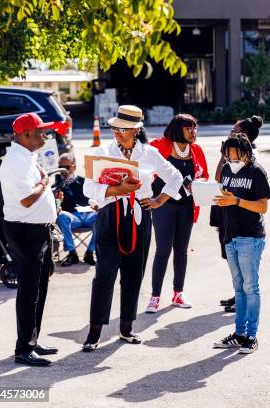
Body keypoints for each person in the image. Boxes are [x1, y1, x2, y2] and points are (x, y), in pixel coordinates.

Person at [81, 105, 183, 352]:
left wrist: (159, 200)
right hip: (109, 215)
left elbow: (176, 177)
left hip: (139, 215)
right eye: (115, 127)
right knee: (104, 274)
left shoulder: (149, 153)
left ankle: (126, 328)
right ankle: (95, 332)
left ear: (136, 130)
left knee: (134, 273)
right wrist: (115, 191)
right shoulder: (103, 151)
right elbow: (87, 188)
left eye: (123, 128)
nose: (117, 132)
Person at [0, 112, 59, 366]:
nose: (44, 135)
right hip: (25, 231)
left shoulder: (28, 156)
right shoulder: (15, 161)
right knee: (29, 290)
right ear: (24, 135)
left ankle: (31, 340)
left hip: (38, 229)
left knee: (40, 286)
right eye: (39, 132)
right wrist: (45, 183)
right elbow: (25, 199)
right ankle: (23, 349)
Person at [212, 132, 270, 354]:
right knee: (238, 289)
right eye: (229, 157)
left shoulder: (257, 172)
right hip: (230, 235)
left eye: (236, 157)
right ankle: (239, 334)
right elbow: (223, 196)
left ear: (247, 153)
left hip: (251, 237)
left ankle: (251, 336)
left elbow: (262, 207)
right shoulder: (227, 170)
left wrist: (236, 201)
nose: (232, 162)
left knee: (250, 287)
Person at [145, 114, 209, 313]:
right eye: (189, 128)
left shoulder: (196, 150)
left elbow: (205, 175)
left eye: (195, 128)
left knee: (181, 250)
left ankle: (178, 293)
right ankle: (155, 297)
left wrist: (199, 183)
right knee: (163, 249)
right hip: (162, 204)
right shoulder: (160, 144)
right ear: (177, 129)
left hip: (187, 206)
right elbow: (144, 165)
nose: (193, 132)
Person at [213, 116, 263, 312]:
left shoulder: (250, 161)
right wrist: (224, 153)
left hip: (245, 223)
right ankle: (238, 295)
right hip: (228, 216)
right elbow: (219, 176)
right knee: (233, 261)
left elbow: (260, 202)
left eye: (234, 132)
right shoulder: (230, 158)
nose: (230, 134)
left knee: (245, 266)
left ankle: (243, 303)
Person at [55, 153, 97, 266]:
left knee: (103, 215)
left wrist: (95, 204)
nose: (63, 170)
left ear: (73, 167)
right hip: (72, 217)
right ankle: (72, 253)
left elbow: (96, 197)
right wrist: (58, 201)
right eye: (60, 167)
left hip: (89, 215)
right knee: (62, 215)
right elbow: (56, 206)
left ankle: (90, 252)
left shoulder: (84, 181)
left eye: (66, 167)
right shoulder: (57, 184)